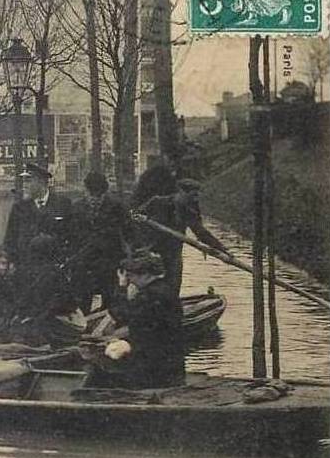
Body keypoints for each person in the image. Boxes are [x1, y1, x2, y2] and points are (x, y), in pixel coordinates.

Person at [90, 248, 185, 389]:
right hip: (169, 361)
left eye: (131, 276)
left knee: (96, 368)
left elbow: (119, 315)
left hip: (152, 365)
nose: (130, 280)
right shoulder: (165, 290)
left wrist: (122, 288)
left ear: (145, 274)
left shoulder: (149, 295)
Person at [133, 165, 228, 298]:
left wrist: (221, 248)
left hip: (173, 255)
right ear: (180, 192)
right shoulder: (157, 203)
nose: (194, 199)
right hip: (152, 253)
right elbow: (134, 218)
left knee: (172, 289)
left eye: (196, 196)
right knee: (149, 289)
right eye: (192, 195)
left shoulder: (189, 210)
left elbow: (200, 232)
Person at [69, 170, 129, 313]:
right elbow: (69, 235)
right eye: (92, 195)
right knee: (82, 303)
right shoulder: (75, 208)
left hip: (109, 263)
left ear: (105, 193)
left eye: (99, 195)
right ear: (85, 191)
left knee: (112, 304)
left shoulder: (117, 207)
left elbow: (129, 232)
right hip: (83, 264)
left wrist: (127, 258)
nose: (95, 199)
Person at [12, 233, 84, 348]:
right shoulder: (55, 272)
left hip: (24, 322)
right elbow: (68, 302)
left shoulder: (19, 272)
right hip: (50, 327)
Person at [3, 162, 74, 268]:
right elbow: (10, 240)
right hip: (26, 267)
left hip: (54, 267)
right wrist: (13, 264)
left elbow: (71, 236)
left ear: (41, 181)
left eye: (28, 181)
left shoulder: (63, 204)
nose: (25, 185)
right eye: (24, 181)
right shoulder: (19, 208)